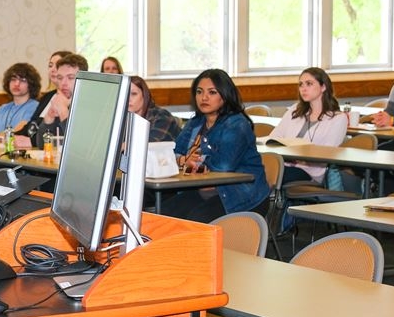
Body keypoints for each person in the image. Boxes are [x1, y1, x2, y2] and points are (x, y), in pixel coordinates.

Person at [166, 68, 269, 223]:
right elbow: (172, 153)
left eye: (212, 92)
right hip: (204, 191)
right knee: (165, 212)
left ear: (225, 96)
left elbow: (223, 166)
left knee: (197, 219)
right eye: (199, 92)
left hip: (239, 195)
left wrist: (193, 161)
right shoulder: (195, 122)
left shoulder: (236, 124)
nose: (204, 97)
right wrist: (183, 161)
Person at [268, 67, 348, 184]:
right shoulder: (295, 110)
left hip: (311, 171)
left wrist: (296, 154)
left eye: (309, 84)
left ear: (323, 87)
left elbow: (327, 152)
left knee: (268, 174)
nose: (303, 89)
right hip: (285, 164)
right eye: (301, 84)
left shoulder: (338, 118)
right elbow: (274, 137)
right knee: (257, 169)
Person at [33, 53, 89, 147]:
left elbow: (78, 146)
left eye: (70, 78)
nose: (63, 83)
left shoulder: (91, 105)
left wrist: (63, 111)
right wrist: (49, 119)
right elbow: (42, 145)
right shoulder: (61, 100)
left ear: (84, 79)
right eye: (60, 78)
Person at [27, 50, 73, 129]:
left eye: (57, 65)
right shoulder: (47, 96)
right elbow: (32, 125)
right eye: (50, 65)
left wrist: (31, 141)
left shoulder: (75, 99)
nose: (52, 70)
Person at [128, 75, 180, 142]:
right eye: (125, 94)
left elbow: (149, 144)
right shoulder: (124, 116)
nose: (128, 99)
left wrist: (123, 145)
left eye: (133, 94)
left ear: (145, 95)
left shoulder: (162, 116)